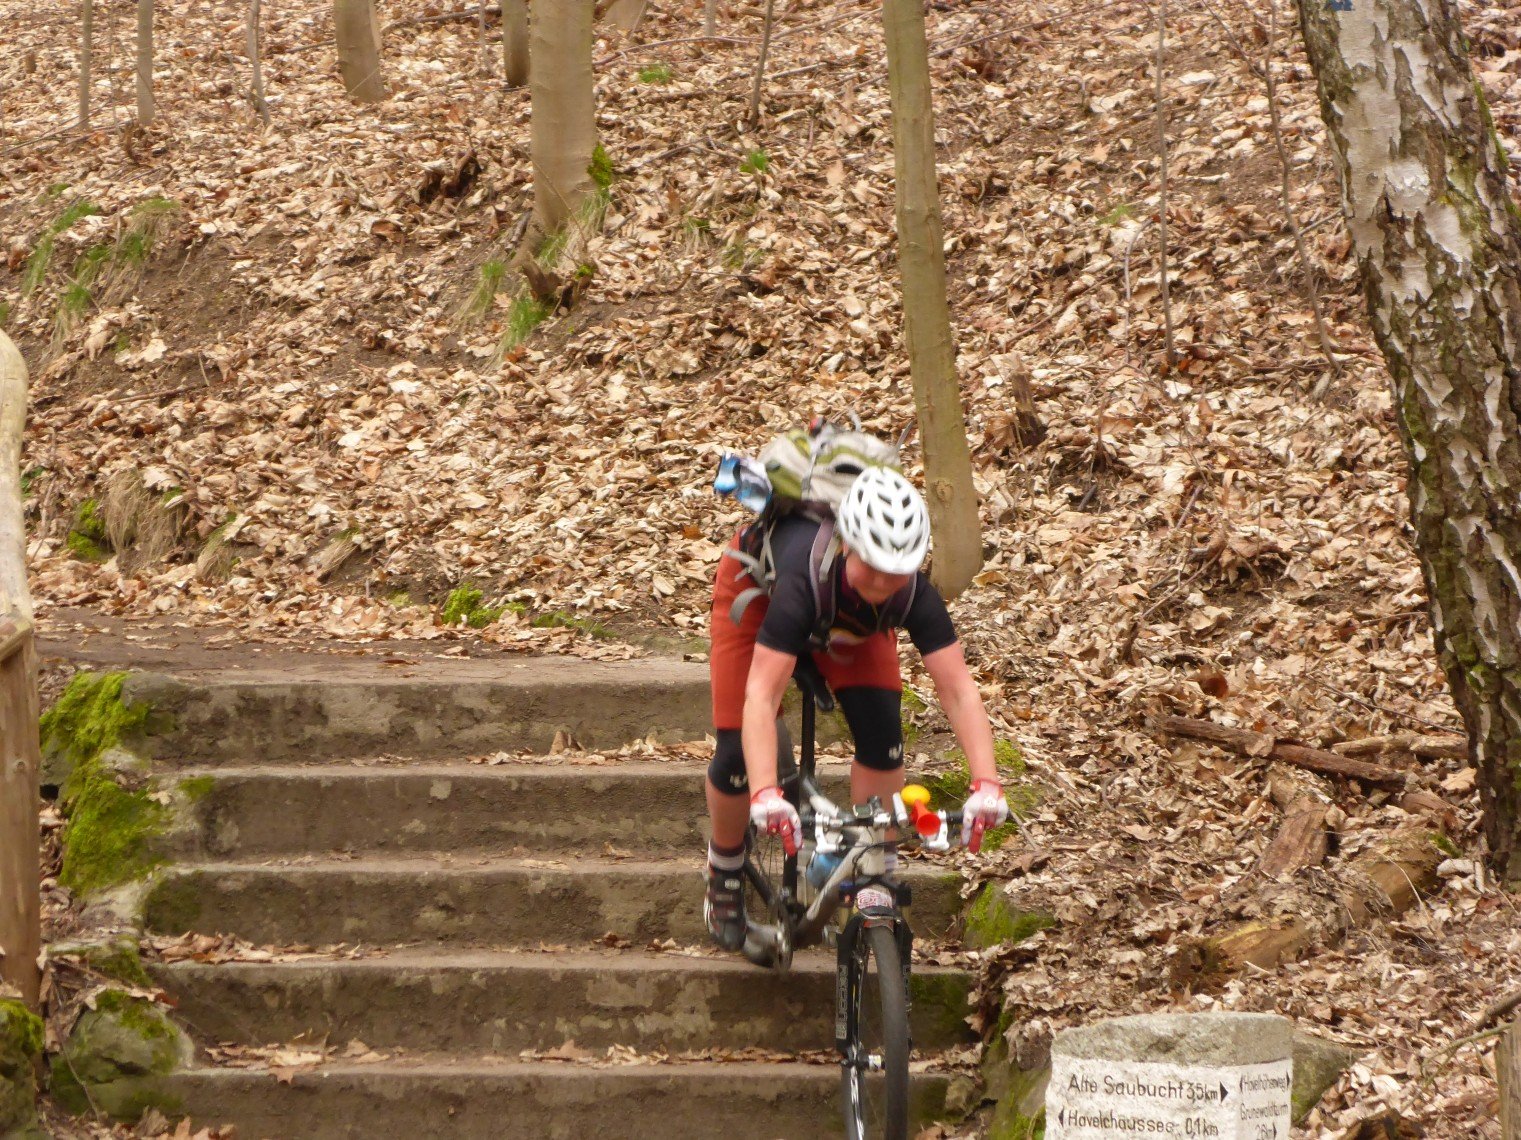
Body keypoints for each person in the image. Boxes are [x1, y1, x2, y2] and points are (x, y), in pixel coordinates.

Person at [703, 464, 1010, 950]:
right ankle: (724, 870)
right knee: (738, 752)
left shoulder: (910, 593)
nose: (886, 581)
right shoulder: (804, 579)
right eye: (875, 565)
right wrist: (764, 793)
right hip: (758, 594)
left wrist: (987, 782)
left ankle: (874, 870)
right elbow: (760, 696)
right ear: (847, 543)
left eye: (898, 570)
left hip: (853, 623)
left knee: (883, 738)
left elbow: (959, 691)